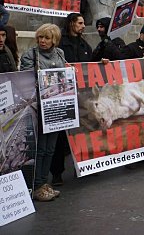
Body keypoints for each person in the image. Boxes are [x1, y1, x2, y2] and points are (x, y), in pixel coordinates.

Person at [20, 24, 66, 201]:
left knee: (50, 148)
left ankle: (43, 182)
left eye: (46, 38)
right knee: (39, 148)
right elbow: (26, 81)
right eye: (40, 37)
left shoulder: (60, 53)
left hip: (56, 107)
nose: (42, 41)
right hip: (38, 108)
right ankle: (36, 185)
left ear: (54, 39)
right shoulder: (30, 55)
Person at [53, 13, 93, 185]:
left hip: (82, 96)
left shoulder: (85, 44)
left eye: (84, 23)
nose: (83, 26)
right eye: (80, 23)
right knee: (61, 138)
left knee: (83, 132)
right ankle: (56, 173)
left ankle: (83, 167)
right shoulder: (60, 44)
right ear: (71, 24)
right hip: (64, 96)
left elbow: (91, 65)